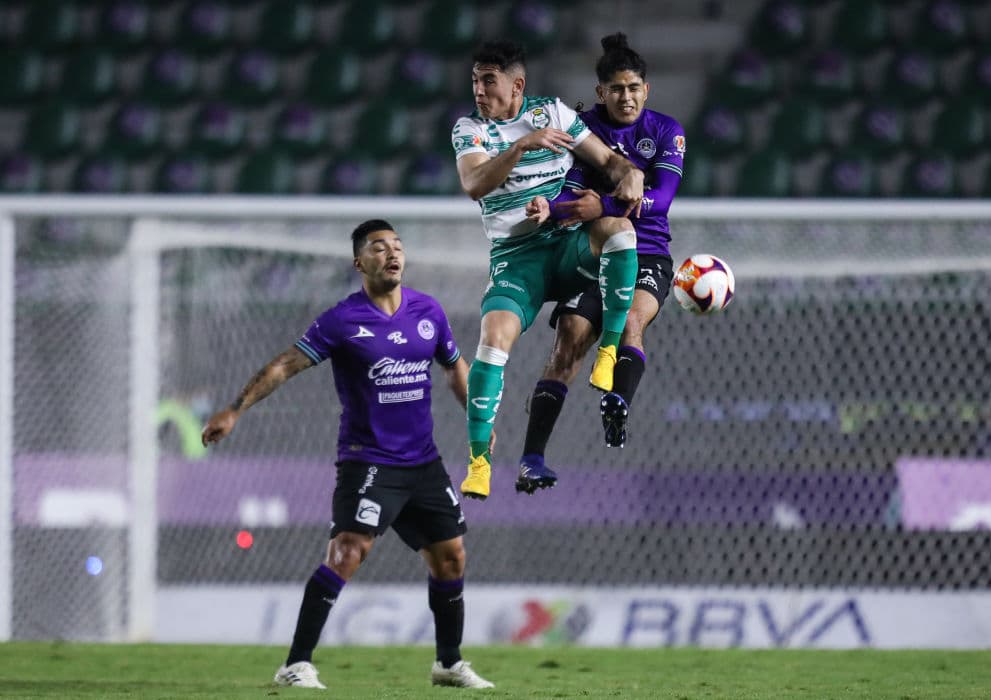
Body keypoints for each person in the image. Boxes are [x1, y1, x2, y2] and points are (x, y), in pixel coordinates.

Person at [201, 220, 494, 691]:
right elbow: (284, 365)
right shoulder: (342, 320)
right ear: (360, 263)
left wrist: (479, 422)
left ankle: (448, 664)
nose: (392, 254)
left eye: (397, 246)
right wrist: (236, 410)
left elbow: (454, 367)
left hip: (423, 463)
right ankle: (295, 664)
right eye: (379, 248)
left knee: (452, 558)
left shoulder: (428, 311)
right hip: (369, 460)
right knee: (347, 552)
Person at [452, 39, 645, 500]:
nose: (479, 89)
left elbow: (609, 159)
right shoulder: (469, 129)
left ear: (516, 84)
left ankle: (608, 352)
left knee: (619, 229)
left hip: (564, 242)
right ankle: (479, 463)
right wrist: (521, 145)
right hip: (516, 259)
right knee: (493, 340)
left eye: (489, 80)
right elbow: (475, 184)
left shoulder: (553, 113)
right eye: (476, 79)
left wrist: (629, 173)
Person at [516, 33, 687, 490]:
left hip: (648, 250)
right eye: (616, 89)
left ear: (646, 90)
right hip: (592, 249)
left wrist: (605, 207)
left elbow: (662, 201)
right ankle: (532, 458)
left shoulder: (668, 132)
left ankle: (618, 406)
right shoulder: (583, 130)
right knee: (568, 341)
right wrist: (556, 207)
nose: (626, 97)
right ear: (601, 93)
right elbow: (570, 196)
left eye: (633, 88)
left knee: (632, 319)